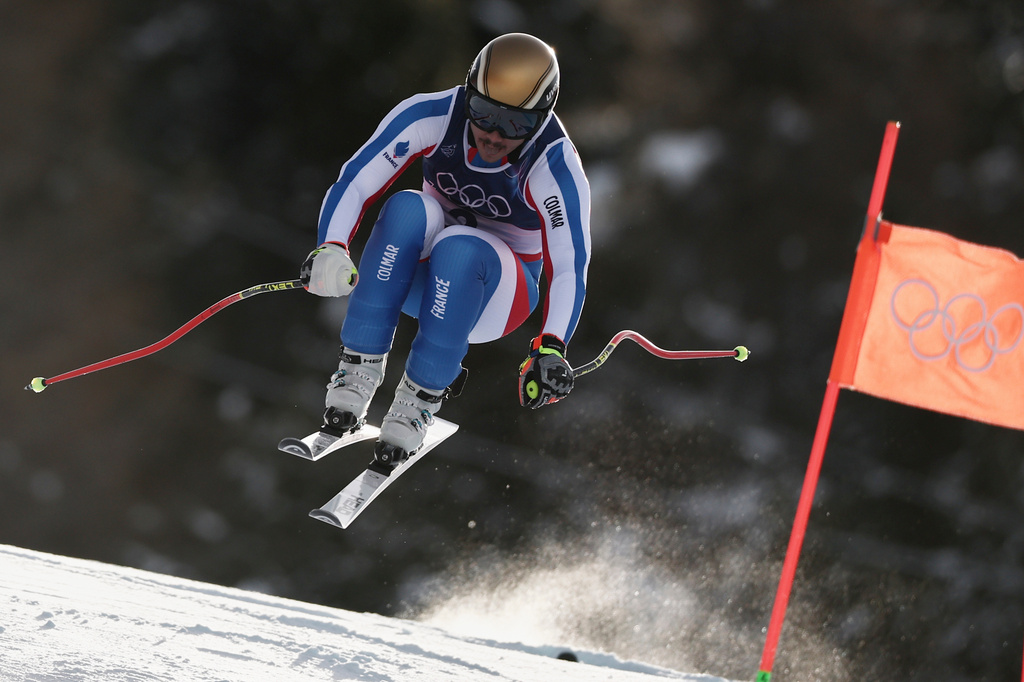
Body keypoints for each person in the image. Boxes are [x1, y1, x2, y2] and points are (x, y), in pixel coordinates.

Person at [300, 32, 592, 466]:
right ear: (468, 92)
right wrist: (330, 246)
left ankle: (419, 400)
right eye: (484, 113)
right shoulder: (433, 114)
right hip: (417, 279)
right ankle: (356, 372)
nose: (493, 135)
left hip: (492, 300)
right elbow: (356, 180)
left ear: (542, 118)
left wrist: (551, 346)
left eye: (516, 125)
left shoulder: (553, 161)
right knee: (406, 208)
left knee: (460, 247)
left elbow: (570, 265)